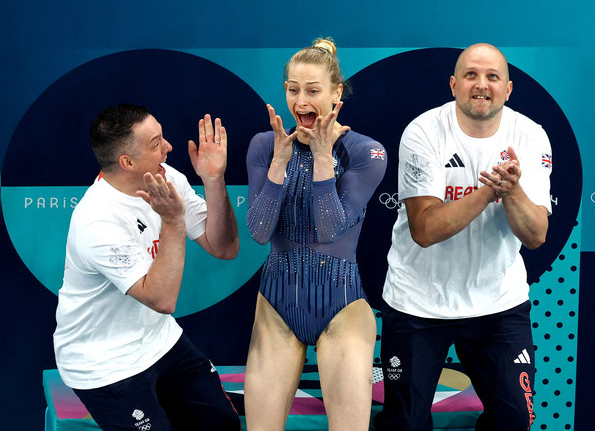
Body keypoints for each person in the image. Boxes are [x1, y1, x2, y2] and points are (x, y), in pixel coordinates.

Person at [375, 43, 553, 431]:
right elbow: (424, 230)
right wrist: (491, 190)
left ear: (508, 88)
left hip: (497, 303)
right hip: (418, 302)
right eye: (471, 75)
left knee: (513, 421)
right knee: (404, 424)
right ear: (454, 84)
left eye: (493, 77)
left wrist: (514, 191)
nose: (481, 85)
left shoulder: (531, 136)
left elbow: (536, 234)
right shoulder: (423, 132)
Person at [53, 104, 241, 431]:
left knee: (221, 423)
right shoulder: (98, 220)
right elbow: (162, 299)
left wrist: (214, 180)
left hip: (159, 341)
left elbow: (224, 247)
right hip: (103, 363)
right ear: (127, 162)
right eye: (156, 143)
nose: (169, 148)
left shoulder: (165, 178)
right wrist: (172, 220)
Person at [243, 38, 387, 430]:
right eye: (292, 89)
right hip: (276, 306)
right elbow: (258, 232)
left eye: (312, 90)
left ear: (337, 93)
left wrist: (323, 158)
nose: (300, 100)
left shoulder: (365, 152)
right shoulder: (264, 145)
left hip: (342, 307)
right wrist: (278, 166)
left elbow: (328, 230)